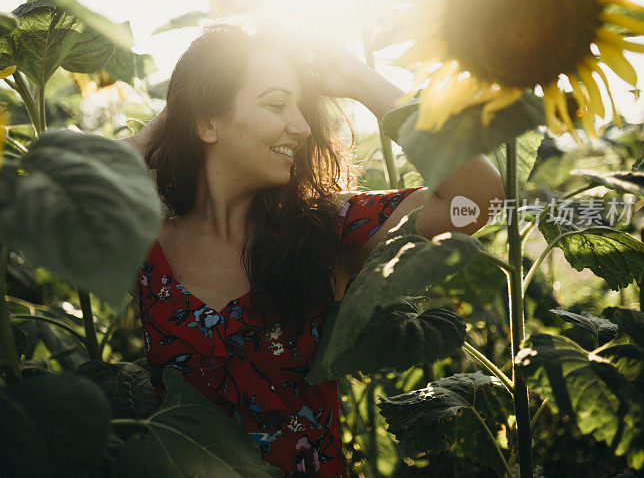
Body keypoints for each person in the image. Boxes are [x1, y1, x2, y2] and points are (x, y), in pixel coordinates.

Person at [120, 24, 504, 476]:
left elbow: (475, 201)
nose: (301, 126)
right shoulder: (146, 248)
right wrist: (170, 120)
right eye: (277, 104)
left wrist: (358, 79)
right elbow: (72, 191)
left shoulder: (328, 231)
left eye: (301, 107)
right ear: (207, 121)